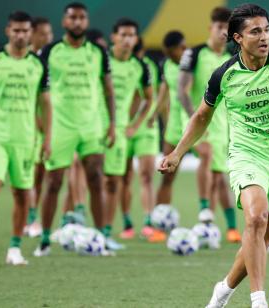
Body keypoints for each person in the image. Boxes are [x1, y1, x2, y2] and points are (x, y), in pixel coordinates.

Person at [159, 4, 269, 307]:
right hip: (247, 152)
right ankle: (259, 301)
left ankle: (222, 292)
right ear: (237, 38)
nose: (264, 36)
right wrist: (177, 152)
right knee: (255, 218)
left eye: (267, 29)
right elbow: (202, 116)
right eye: (255, 31)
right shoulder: (224, 75)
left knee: (262, 240)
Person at [34, 2, 116, 257]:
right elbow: (37, 90)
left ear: (86, 22)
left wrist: (112, 124)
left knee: (95, 179)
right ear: (64, 22)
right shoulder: (49, 51)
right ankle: (45, 240)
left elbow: (108, 89)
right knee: (54, 182)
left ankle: (102, 238)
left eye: (81, 18)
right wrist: (39, 123)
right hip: (60, 126)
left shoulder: (98, 53)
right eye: (73, 18)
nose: (77, 22)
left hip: (91, 126)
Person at [0, 11, 52, 265]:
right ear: (8, 31)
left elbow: (46, 104)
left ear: (31, 33)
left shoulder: (38, 64)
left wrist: (47, 138)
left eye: (25, 31)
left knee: (21, 193)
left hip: (25, 139)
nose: (20, 35)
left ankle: (15, 248)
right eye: (16, 31)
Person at [165, 7, 242, 242]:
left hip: (221, 124)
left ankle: (228, 227)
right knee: (206, 155)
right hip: (196, 120)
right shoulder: (195, 54)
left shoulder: (232, 58)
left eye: (226, 29)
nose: (222, 32)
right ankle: (204, 209)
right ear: (210, 28)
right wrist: (194, 118)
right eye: (219, 27)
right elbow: (182, 91)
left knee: (219, 175)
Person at [101, 18, 153, 249]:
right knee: (84, 177)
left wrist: (134, 123)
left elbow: (148, 97)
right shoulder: (101, 59)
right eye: (122, 35)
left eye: (131, 35)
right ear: (113, 37)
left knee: (113, 182)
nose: (127, 39)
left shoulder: (139, 67)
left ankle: (104, 233)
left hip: (119, 131)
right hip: (92, 127)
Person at [147, 30, 188, 242]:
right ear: (168, 51)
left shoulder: (191, 62)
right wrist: (154, 114)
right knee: (166, 175)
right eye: (180, 48)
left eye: (184, 47)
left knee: (214, 175)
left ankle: (215, 224)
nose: (184, 51)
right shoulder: (166, 65)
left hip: (195, 125)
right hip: (174, 128)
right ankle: (158, 226)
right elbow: (164, 92)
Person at [119, 37, 160, 240]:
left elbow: (160, 93)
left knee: (146, 175)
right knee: (124, 176)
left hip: (146, 129)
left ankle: (148, 220)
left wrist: (155, 116)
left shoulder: (148, 67)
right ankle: (127, 222)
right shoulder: (120, 66)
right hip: (124, 128)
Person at [24, 16, 54, 238]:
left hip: (49, 127)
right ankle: (30, 217)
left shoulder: (48, 60)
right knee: (32, 174)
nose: (47, 38)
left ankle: (36, 217)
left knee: (44, 174)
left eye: (49, 33)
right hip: (29, 127)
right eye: (43, 33)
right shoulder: (27, 60)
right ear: (32, 34)